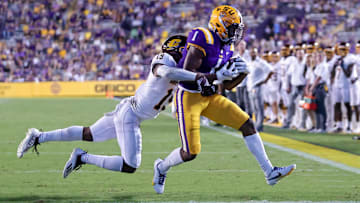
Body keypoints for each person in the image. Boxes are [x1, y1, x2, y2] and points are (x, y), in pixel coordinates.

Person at [17, 35, 232, 177]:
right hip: (131, 115)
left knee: (88, 133)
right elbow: (168, 73)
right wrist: (202, 76)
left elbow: (188, 84)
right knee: (130, 166)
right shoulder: (165, 59)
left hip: (130, 110)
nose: (190, 55)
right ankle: (82, 157)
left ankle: (38, 136)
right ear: (177, 49)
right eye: (187, 50)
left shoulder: (183, 69)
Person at [152, 5, 296, 194]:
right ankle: (161, 167)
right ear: (219, 25)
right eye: (232, 28)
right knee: (190, 152)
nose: (236, 33)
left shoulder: (228, 45)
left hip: (209, 97)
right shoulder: (203, 36)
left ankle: (270, 172)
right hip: (188, 96)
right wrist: (217, 74)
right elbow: (187, 73)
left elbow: (225, 87)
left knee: (247, 124)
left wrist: (243, 73)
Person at [330, 42, 356, 133]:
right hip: (337, 84)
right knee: (337, 105)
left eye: (343, 50)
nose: (341, 52)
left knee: (347, 105)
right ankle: (339, 125)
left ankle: (349, 125)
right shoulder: (337, 59)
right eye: (340, 50)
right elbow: (332, 71)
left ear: (347, 50)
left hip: (346, 85)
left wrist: (342, 65)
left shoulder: (350, 59)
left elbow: (348, 74)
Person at [247, 48, 273, 132]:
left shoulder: (260, 62)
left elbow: (271, 70)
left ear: (257, 53)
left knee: (259, 107)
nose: (252, 54)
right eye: (251, 52)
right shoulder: (250, 62)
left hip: (258, 87)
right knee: (254, 108)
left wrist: (265, 81)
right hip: (251, 87)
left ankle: (259, 125)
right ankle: (257, 124)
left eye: (254, 52)